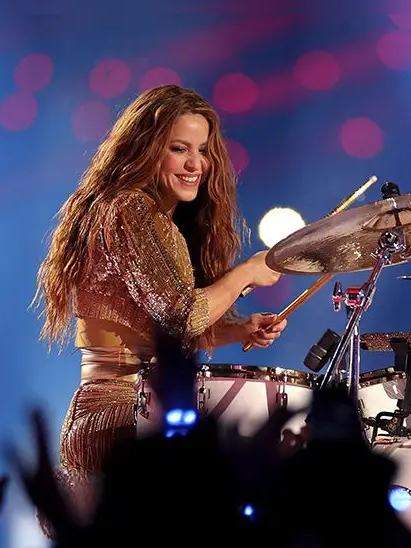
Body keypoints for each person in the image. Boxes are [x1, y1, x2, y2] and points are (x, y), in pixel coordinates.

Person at [32, 85, 286, 491]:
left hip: (139, 410)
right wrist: (245, 274)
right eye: (179, 149)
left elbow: (164, 333)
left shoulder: (155, 219)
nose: (196, 164)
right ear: (146, 150)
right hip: (120, 417)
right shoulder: (129, 209)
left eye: (203, 150)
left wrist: (237, 330)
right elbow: (182, 316)